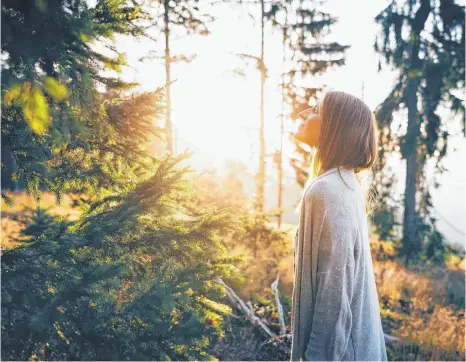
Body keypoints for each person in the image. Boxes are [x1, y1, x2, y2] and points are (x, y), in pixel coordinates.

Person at [290, 90, 388, 361]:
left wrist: (315, 358)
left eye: (315, 110)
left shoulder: (328, 191)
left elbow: (334, 295)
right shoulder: (344, 184)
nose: (303, 114)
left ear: (334, 126)